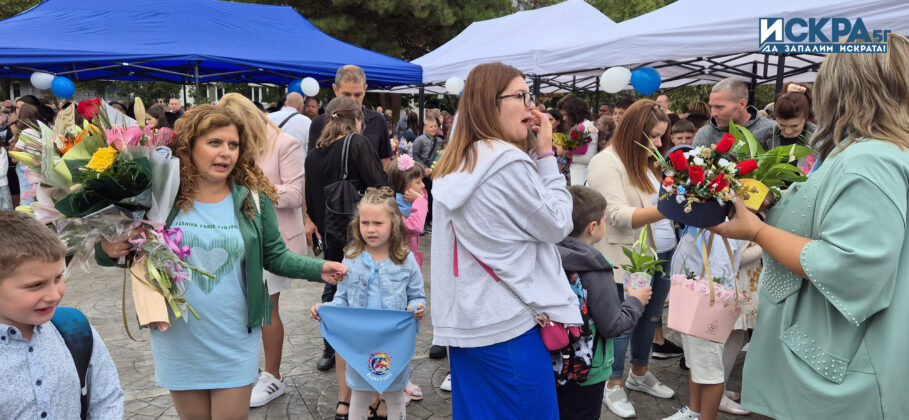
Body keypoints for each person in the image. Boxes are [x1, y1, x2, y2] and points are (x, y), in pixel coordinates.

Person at [96, 104, 346, 419]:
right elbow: (118, 250)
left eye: (233, 144)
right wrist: (108, 248)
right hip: (178, 338)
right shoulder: (161, 195)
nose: (226, 152)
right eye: (214, 142)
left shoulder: (253, 197)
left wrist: (318, 268)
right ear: (189, 146)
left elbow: (275, 255)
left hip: (233, 336)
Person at [709, 33, 909, 420]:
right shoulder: (875, 150)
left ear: (843, 87)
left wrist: (757, 232)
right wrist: (775, 201)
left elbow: (852, 267)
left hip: (847, 369)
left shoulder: (870, 160)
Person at [430, 61, 582, 419]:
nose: (533, 106)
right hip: (509, 324)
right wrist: (546, 154)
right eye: (521, 96)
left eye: (530, 95)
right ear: (489, 103)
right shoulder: (506, 162)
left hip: (468, 322)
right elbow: (559, 223)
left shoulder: (461, 160)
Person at [217, 93, 312, 408]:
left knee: (268, 306)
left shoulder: (284, 143)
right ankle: (247, 369)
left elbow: (296, 194)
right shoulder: (233, 143)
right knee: (239, 303)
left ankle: (273, 375)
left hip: (275, 240)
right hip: (237, 237)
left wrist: (255, 189)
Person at [586, 99, 677, 419]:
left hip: (660, 252)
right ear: (634, 132)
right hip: (627, 257)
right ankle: (612, 383)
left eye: (662, 136)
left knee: (651, 318)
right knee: (622, 324)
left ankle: (639, 373)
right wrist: (668, 208)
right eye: (654, 136)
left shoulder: (647, 160)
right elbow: (615, 214)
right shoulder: (606, 162)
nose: (659, 143)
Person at [304, 96, 390, 419]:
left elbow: (313, 204)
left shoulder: (313, 155)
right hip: (366, 248)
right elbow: (382, 192)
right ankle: (374, 398)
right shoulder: (357, 143)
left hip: (334, 249)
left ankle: (345, 400)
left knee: (341, 319)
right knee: (372, 321)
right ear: (357, 120)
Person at [310, 187, 426, 420]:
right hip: (359, 344)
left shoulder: (406, 259)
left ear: (393, 224)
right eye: (365, 223)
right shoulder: (351, 258)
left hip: (394, 344)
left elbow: (417, 296)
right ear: (357, 224)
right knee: (359, 396)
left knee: (394, 395)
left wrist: (416, 308)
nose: (370, 229)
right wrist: (326, 309)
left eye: (378, 223)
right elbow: (341, 298)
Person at [0, 211, 124, 418]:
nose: (54, 295)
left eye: (58, 278)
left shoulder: (74, 329)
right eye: (36, 285)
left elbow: (106, 398)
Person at [555, 185, 650, 420]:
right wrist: (636, 301)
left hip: (553, 363)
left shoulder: (548, 255)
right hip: (588, 370)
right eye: (605, 220)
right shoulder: (595, 267)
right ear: (593, 227)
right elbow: (612, 325)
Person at [308, 65, 392, 169]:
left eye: (358, 95)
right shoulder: (320, 122)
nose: (352, 100)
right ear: (335, 89)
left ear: (365, 89)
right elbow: (313, 164)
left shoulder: (377, 120)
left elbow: (385, 162)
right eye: (346, 95)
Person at [692, 78, 775, 149]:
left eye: (719, 107)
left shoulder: (773, 129)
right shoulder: (704, 135)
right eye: (711, 107)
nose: (713, 114)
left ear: (742, 104)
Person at [386, 156, 427, 269]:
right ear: (401, 184)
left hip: (408, 260)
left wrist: (419, 200)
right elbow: (415, 227)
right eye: (418, 182)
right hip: (398, 265)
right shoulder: (393, 208)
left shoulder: (409, 203)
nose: (423, 185)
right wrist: (419, 201)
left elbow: (424, 197)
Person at [411, 117, 444, 233]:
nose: (434, 128)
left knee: (433, 197)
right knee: (423, 198)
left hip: (435, 175)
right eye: (431, 126)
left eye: (435, 126)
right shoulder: (419, 140)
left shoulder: (440, 141)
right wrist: (424, 168)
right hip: (423, 175)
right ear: (425, 128)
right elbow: (415, 156)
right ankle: (423, 222)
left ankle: (431, 220)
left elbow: (440, 156)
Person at [557, 94, 599, 186]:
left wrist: (564, 153)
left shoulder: (587, 127)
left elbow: (589, 159)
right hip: (574, 175)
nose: (564, 118)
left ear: (574, 113)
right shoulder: (577, 127)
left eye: (565, 115)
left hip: (582, 176)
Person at [763, 82, 816, 150]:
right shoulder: (762, 138)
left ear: (806, 118)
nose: (788, 132)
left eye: (795, 126)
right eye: (782, 125)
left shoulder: (821, 140)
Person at [9, 103, 41, 206]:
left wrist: (15, 135)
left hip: (26, 168)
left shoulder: (26, 132)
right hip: (35, 167)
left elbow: (14, 153)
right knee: (34, 197)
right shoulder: (37, 131)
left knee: (27, 199)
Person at [267, 92, 312, 156]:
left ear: (285, 103)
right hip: (296, 159)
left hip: (273, 158)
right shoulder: (306, 121)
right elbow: (310, 144)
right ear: (300, 106)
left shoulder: (269, 117)